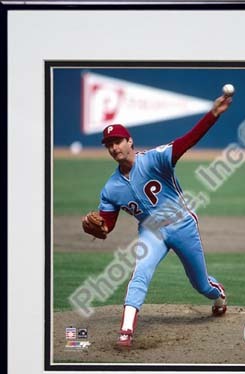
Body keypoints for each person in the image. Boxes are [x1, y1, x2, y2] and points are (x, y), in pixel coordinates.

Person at [82, 92, 233, 348]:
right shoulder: (110, 189)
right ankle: (126, 331)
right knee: (140, 273)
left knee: (200, 284)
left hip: (182, 225)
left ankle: (218, 296)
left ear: (130, 141)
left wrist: (213, 115)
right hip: (151, 233)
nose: (113, 147)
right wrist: (95, 228)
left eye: (117, 141)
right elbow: (107, 225)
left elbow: (188, 141)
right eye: (109, 144)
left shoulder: (155, 159)